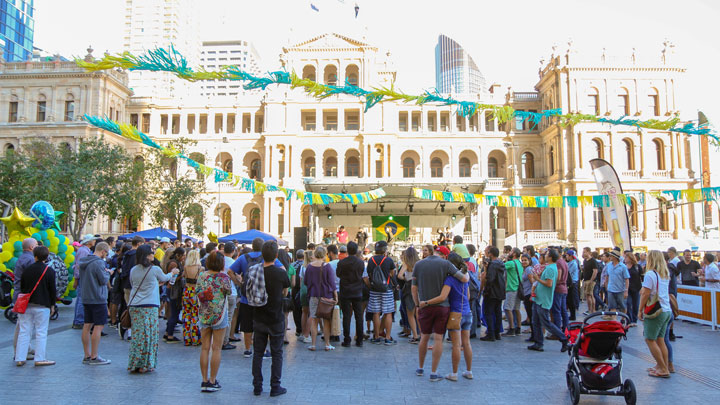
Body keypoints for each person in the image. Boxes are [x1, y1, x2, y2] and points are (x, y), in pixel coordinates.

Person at [412, 246, 469, 381]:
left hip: (424, 305)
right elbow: (464, 279)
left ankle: (420, 368)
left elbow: (413, 287)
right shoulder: (446, 264)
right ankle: (433, 372)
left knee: (424, 337)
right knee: (438, 339)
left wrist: (417, 304)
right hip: (442, 307)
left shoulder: (418, 265)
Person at [126, 244, 178, 373]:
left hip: (135, 305)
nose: (153, 254)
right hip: (149, 305)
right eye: (151, 253)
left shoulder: (134, 270)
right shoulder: (154, 269)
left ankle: (135, 362)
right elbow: (165, 278)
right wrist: (173, 272)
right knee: (149, 336)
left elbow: (134, 284)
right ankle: (146, 363)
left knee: (138, 336)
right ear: (147, 255)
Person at [230, 237, 284, 356]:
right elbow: (282, 269)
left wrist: (240, 283)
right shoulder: (267, 256)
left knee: (247, 325)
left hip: (247, 297)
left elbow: (230, 271)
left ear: (252, 246)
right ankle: (263, 350)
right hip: (263, 296)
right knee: (263, 323)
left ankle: (248, 349)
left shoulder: (244, 257)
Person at [251, 241, 290, 397]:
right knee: (277, 353)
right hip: (275, 316)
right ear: (276, 255)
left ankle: (257, 386)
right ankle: (275, 386)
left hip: (258, 316)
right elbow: (285, 292)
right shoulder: (280, 273)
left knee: (258, 353)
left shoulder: (255, 271)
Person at [197, 251, 233, 392]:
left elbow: (198, 291)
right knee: (216, 348)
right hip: (219, 314)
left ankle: (204, 380)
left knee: (204, 348)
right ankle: (212, 380)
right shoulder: (224, 277)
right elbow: (228, 292)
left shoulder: (202, 276)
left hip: (204, 314)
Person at [14, 246, 57, 367]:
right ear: (47, 257)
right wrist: (52, 305)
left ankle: (20, 358)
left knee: (24, 331)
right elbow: (52, 290)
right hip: (42, 305)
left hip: (27, 305)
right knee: (41, 332)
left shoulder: (27, 270)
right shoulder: (49, 271)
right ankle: (39, 358)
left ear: (35, 256)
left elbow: (22, 287)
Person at [527, 249, 569, 352]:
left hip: (544, 299)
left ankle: (563, 338)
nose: (545, 256)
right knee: (535, 321)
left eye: (546, 254)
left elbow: (549, 284)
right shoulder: (549, 267)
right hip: (539, 298)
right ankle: (538, 343)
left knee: (546, 323)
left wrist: (537, 279)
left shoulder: (550, 268)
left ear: (550, 257)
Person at [638, 250, 672, 378]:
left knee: (650, 339)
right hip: (666, 309)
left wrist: (640, 310)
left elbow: (646, 293)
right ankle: (662, 365)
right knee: (660, 339)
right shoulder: (664, 273)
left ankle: (663, 368)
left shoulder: (650, 274)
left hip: (656, 310)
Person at [78, 241, 113, 365]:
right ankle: (94, 356)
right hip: (98, 298)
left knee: (87, 325)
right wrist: (108, 273)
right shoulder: (98, 263)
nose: (106, 255)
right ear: (103, 251)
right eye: (106, 252)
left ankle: (86, 355)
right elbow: (103, 280)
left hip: (86, 297)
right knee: (98, 326)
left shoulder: (84, 261)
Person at [304, 246, 338, 351]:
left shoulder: (309, 267)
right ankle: (327, 344)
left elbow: (305, 282)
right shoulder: (327, 266)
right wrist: (335, 295)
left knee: (314, 319)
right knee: (326, 320)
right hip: (326, 296)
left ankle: (313, 344)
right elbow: (332, 283)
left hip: (313, 295)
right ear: (324, 255)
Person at [363, 240, 396, 345]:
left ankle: (376, 336)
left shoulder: (371, 260)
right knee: (388, 312)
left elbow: (369, 273)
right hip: (386, 289)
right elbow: (392, 274)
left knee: (376, 313)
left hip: (374, 289)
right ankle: (387, 337)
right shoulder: (388, 260)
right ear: (385, 250)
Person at [336, 241, 366, 347]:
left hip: (345, 291)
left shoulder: (342, 262)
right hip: (357, 291)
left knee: (346, 316)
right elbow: (362, 273)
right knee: (359, 316)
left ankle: (347, 339)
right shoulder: (360, 262)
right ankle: (359, 340)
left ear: (348, 250)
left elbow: (338, 274)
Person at [12, 237, 38, 359]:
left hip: (20, 294)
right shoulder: (30, 260)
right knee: (22, 325)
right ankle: (19, 350)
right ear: (32, 247)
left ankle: (24, 348)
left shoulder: (23, 258)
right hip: (24, 295)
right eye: (36, 244)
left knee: (22, 324)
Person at [480, 246, 505, 341]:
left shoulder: (493, 265)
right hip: (499, 290)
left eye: (487, 252)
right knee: (497, 311)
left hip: (492, 291)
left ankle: (491, 333)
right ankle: (497, 332)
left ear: (490, 253)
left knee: (489, 312)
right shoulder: (500, 263)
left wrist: (485, 290)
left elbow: (490, 279)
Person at [71, 234, 95, 329]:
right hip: (82, 277)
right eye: (93, 240)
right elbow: (78, 266)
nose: (94, 242)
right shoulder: (84, 251)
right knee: (81, 299)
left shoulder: (83, 250)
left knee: (80, 299)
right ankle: (79, 320)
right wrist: (76, 279)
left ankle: (78, 319)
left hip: (81, 277)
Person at [163, 247, 186, 343]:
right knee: (174, 312)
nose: (184, 258)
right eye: (183, 256)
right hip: (174, 291)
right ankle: (170, 335)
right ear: (178, 255)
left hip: (174, 290)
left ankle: (168, 333)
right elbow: (172, 279)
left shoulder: (175, 262)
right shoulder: (174, 263)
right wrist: (182, 275)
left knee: (174, 312)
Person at [221, 243, 241, 350]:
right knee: (228, 317)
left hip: (220, 292)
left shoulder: (220, 261)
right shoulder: (233, 262)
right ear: (233, 251)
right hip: (231, 291)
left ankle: (220, 339)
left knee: (222, 316)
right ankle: (225, 340)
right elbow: (237, 277)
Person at [398, 246, 420, 343]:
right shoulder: (419, 263)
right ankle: (421, 334)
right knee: (418, 313)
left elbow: (399, 275)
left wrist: (406, 279)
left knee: (410, 313)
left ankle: (415, 335)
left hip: (409, 287)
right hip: (419, 287)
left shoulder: (406, 264)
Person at [183, 249, 203, 346]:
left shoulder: (186, 267)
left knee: (187, 315)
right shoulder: (200, 268)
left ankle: (187, 338)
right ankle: (195, 339)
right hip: (195, 292)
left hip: (187, 291)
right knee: (195, 315)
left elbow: (184, 277)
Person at [503, 247, 523, 337]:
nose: (509, 253)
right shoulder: (519, 263)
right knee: (516, 309)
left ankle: (512, 328)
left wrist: (505, 259)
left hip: (511, 288)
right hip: (518, 287)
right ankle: (518, 327)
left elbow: (501, 266)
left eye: (511, 251)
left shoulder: (511, 263)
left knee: (507, 308)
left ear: (514, 254)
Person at [604, 248, 629, 313]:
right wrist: (606, 285)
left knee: (622, 306)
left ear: (615, 257)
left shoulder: (623, 266)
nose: (610, 257)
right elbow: (607, 276)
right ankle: (614, 320)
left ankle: (623, 318)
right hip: (611, 289)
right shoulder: (609, 265)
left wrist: (626, 290)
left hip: (620, 289)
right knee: (612, 306)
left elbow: (626, 279)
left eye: (611, 256)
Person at [552, 249, 570, 332]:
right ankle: (566, 328)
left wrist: (554, 284)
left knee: (557, 310)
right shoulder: (563, 261)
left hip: (559, 288)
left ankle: (557, 330)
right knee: (563, 310)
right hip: (564, 288)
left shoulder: (558, 262)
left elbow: (558, 277)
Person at [520, 254, 536, 340]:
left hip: (529, 294)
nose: (523, 262)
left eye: (525, 260)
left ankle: (534, 335)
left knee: (531, 315)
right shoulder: (526, 270)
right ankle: (534, 334)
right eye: (522, 260)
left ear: (529, 261)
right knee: (530, 315)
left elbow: (532, 282)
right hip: (527, 293)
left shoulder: (529, 270)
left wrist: (532, 294)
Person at [625, 252, 642, 326]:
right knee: (628, 304)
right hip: (627, 288)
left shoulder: (637, 267)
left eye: (626, 257)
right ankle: (629, 320)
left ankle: (634, 320)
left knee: (636, 304)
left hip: (636, 288)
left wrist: (642, 288)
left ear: (630, 258)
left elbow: (642, 277)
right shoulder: (624, 267)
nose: (625, 259)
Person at [581, 247, 598, 315]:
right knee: (589, 295)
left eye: (585, 252)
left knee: (589, 295)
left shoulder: (593, 260)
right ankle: (590, 310)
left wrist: (591, 280)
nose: (584, 253)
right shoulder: (585, 260)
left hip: (590, 280)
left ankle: (591, 310)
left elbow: (595, 271)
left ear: (588, 252)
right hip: (586, 279)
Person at [565, 250, 581, 321]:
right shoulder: (570, 263)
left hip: (572, 282)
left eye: (567, 255)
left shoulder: (573, 263)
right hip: (571, 282)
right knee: (569, 300)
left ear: (570, 256)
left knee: (571, 299)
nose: (566, 257)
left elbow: (568, 272)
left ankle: (573, 315)